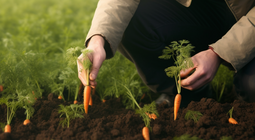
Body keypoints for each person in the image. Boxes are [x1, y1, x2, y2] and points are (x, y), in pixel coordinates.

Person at [77, 0, 255, 106]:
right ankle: (185, 94)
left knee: (251, 87)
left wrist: (219, 53)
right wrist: (98, 40)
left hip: (249, 21)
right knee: (131, 22)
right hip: (200, 11)